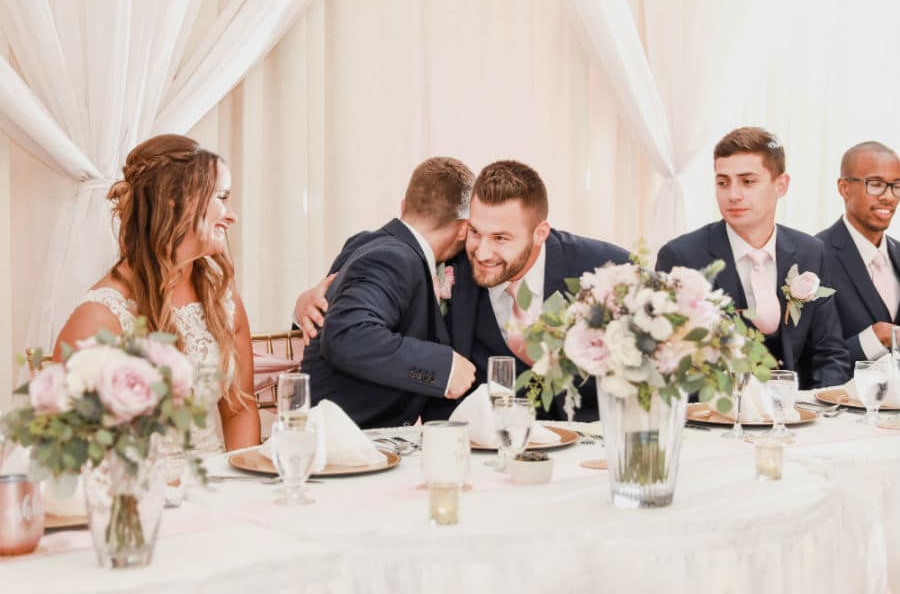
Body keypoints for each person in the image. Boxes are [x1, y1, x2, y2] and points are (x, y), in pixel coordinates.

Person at [296, 160, 630, 421]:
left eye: (501, 238)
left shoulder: (607, 268)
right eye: (475, 232)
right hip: (479, 456)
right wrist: (309, 301)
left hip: (590, 452)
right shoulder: (447, 259)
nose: (482, 253)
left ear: (540, 232)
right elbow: (370, 269)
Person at [53, 134, 260, 453]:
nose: (232, 215)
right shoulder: (100, 317)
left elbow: (240, 410)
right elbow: (69, 450)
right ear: (175, 200)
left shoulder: (222, 298)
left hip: (220, 490)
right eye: (222, 198)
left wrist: (241, 492)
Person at [656, 127, 850, 389]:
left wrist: (816, 413)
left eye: (748, 182)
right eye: (723, 182)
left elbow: (830, 353)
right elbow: (669, 363)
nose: (733, 195)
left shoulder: (810, 251)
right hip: (715, 416)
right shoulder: (682, 256)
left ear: (781, 185)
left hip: (796, 414)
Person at [299, 157, 477, 428]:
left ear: (404, 205)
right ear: (464, 228)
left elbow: (327, 315)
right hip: (341, 441)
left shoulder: (366, 243)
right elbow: (347, 334)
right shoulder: (394, 258)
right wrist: (443, 368)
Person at [817, 142, 900, 363]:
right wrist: (876, 339)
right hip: (839, 396)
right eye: (875, 184)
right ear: (844, 188)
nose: (889, 197)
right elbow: (805, 360)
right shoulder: (814, 256)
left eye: (896, 185)